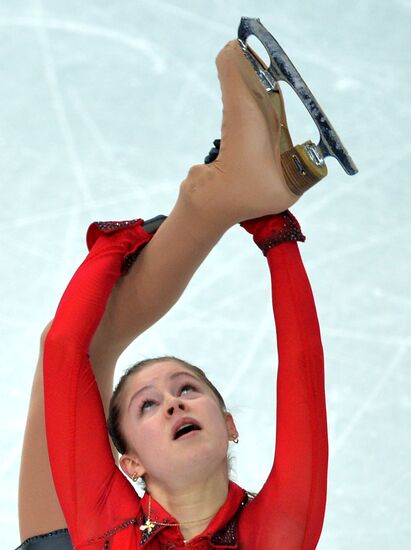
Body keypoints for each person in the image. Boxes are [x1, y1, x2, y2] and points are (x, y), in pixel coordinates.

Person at [16, 36, 329, 550]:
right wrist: (276, 237)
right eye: (151, 404)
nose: (172, 406)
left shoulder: (106, 523)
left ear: (228, 424)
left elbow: (64, 352)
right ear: (130, 463)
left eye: (185, 391)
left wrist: (113, 249)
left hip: (66, 540)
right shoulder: (275, 535)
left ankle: (222, 190)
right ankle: (223, 191)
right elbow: (303, 368)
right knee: (82, 341)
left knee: (75, 346)